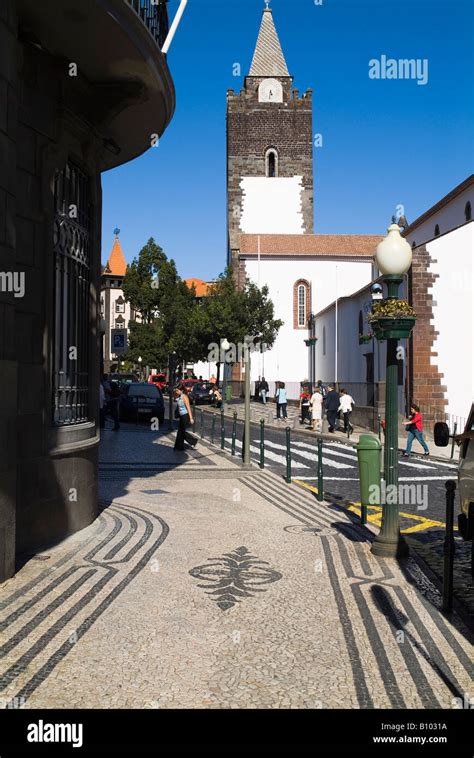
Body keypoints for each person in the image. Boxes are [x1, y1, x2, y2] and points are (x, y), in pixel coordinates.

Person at [174, 383, 197, 451]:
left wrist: (191, 418)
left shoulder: (185, 397)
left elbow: (188, 408)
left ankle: (192, 441)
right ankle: (178, 446)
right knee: (180, 432)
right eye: (176, 390)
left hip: (185, 416)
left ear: (182, 390)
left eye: (177, 390)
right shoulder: (180, 396)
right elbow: (174, 397)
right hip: (181, 416)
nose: (176, 391)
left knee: (181, 432)